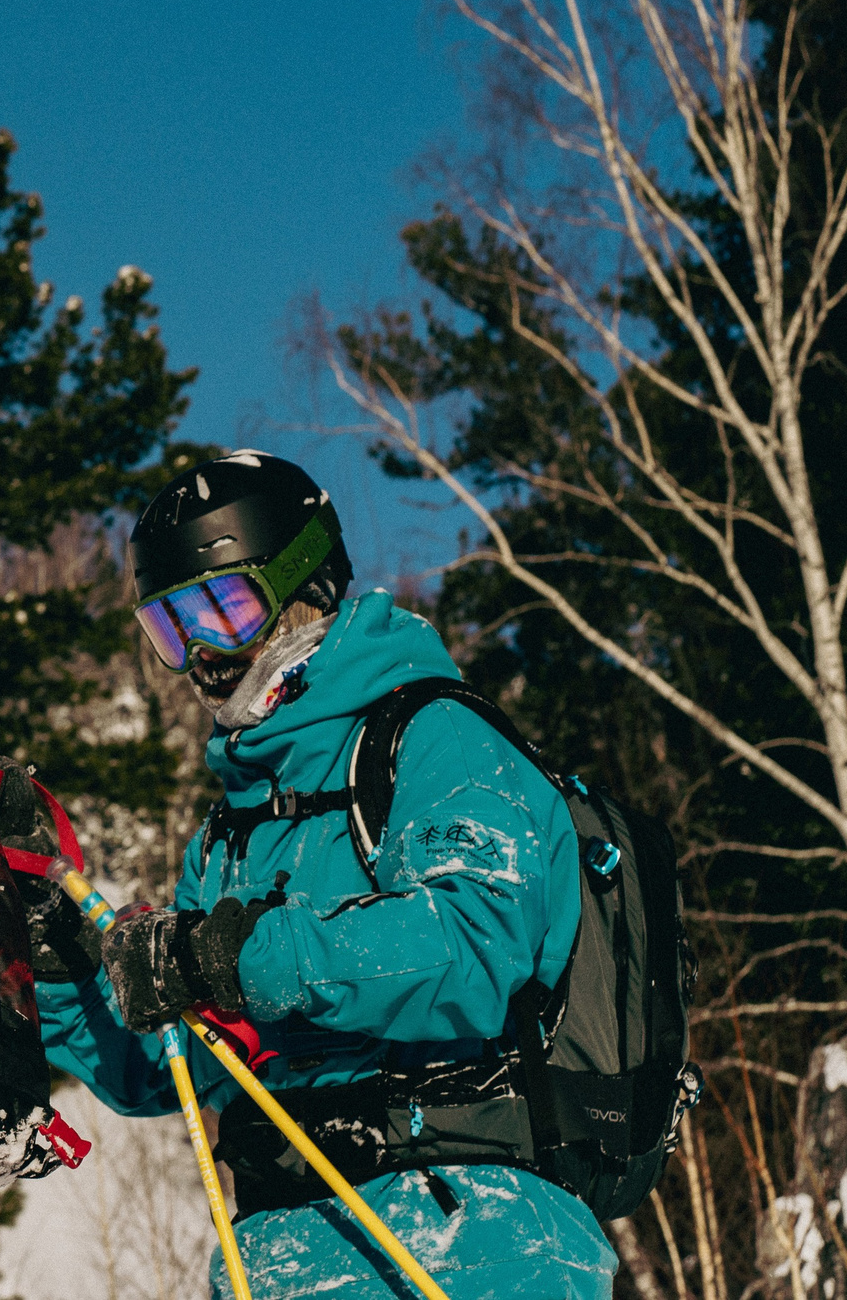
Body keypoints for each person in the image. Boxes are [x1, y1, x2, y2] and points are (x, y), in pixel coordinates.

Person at [31, 452, 616, 1299]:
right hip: (281, 1250)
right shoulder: (231, 829)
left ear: (304, 583)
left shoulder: (433, 740)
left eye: (222, 608)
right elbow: (181, 1070)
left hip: (467, 1232)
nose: (199, 654)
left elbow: (475, 945)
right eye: (169, 627)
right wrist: (66, 972)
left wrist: (243, 957)